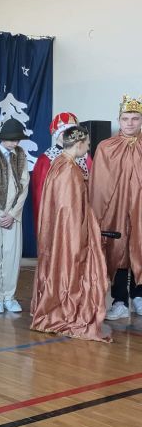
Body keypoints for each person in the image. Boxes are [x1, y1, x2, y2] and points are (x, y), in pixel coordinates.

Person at [30, 126, 110, 342]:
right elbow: (70, 212)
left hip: (59, 233)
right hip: (70, 235)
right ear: (79, 144)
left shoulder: (58, 163)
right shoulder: (70, 170)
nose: (88, 148)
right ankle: (66, 311)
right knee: (72, 269)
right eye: (87, 144)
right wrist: (84, 237)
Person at [89, 95, 142, 320]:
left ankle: (139, 296)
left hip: (140, 208)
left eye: (135, 118)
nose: (130, 123)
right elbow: (99, 184)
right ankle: (119, 301)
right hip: (115, 208)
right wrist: (98, 215)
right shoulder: (106, 147)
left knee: (140, 246)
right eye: (125, 118)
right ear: (118, 120)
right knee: (117, 250)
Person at [0, 119, 31, 315]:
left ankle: (9, 297)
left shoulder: (20, 155)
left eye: (17, 140)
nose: (15, 143)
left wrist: (12, 214)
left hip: (13, 216)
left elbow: (24, 186)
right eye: (12, 139)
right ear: (2, 138)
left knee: (12, 257)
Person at [30, 111, 91, 231]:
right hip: (58, 212)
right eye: (65, 132)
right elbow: (40, 194)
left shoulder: (84, 156)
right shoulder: (46, 159)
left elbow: (94, 183)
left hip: (81, 209)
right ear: (58, 134)